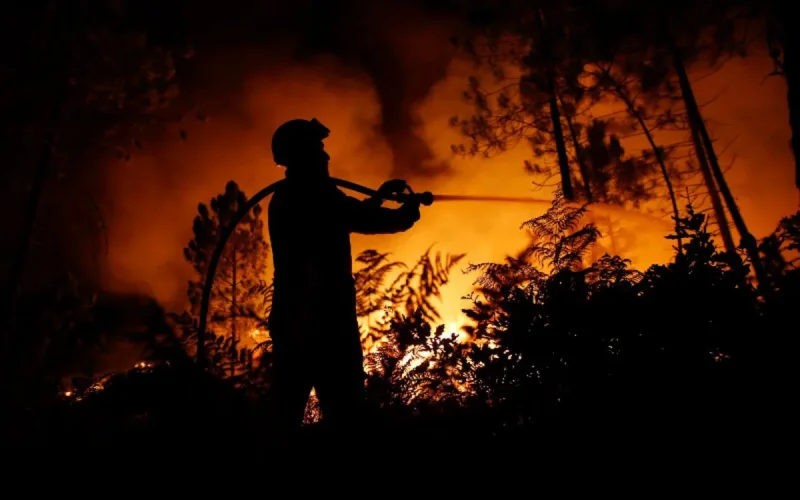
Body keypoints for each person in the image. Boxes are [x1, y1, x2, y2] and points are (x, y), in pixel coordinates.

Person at [266, 117, 422, 438]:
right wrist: (405, 215)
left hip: (295, 321)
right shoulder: (313, 195)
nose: (326, 157)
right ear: (301, 154)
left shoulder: (290, 196)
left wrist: (379, 198)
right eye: (318, 149)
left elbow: (346, 215)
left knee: (284, 416)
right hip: (325, 326)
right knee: (346, 417)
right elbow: (357, 217)